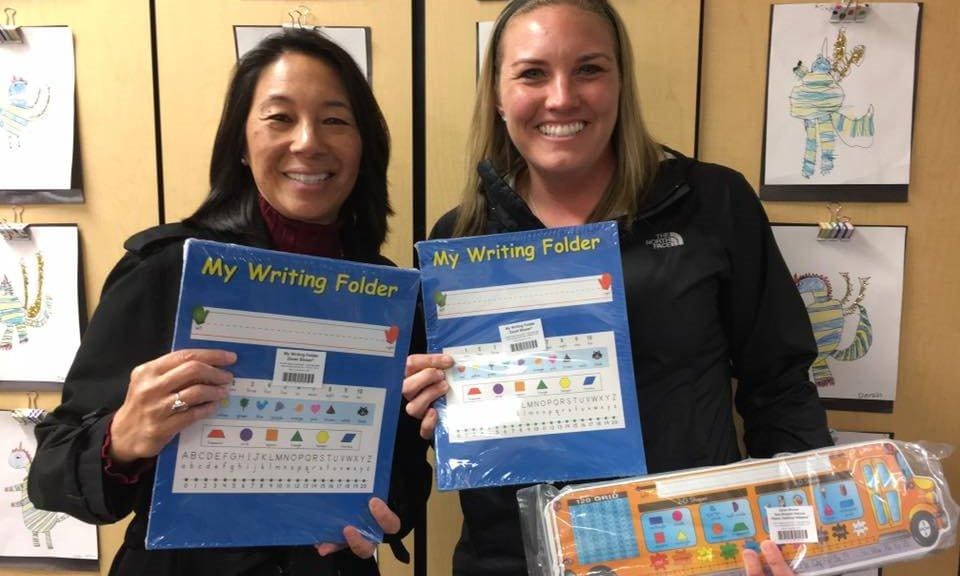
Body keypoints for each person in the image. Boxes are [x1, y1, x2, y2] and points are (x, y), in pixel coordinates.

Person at [401, 1, 830, 575]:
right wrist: (433, 400)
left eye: (589, 69)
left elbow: (778, 384)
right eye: (532, 73)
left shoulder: (712, 203)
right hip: (513, 560)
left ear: (621, 84)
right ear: (499, 96)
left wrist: (799, 540)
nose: (561, 98)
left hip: (686, 552)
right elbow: (444, 426)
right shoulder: (460, 238)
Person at [28, 29, 429, 576]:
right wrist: (121, 438)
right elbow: (51, 470)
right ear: (241, 143)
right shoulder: (168, 268)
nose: (308, 141)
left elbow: (404, 467)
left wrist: (388, 514)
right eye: (280, 118)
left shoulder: (387, 293)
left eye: (335, 120)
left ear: (364, 145)